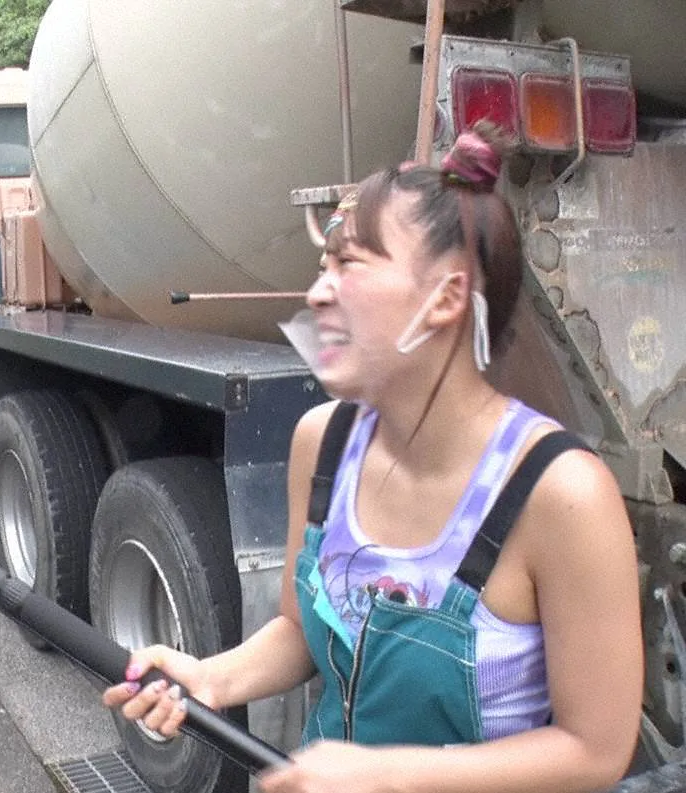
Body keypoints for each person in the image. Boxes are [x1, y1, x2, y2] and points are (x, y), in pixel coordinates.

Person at [102, 125, 642, 793]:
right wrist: (213, 676)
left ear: (444, 298)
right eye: (323, 266)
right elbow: (303, 631)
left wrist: (390, 775)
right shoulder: (320, 442)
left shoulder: (561, 493)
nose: (318, 292)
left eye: (349, 264)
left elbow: (596, 751)